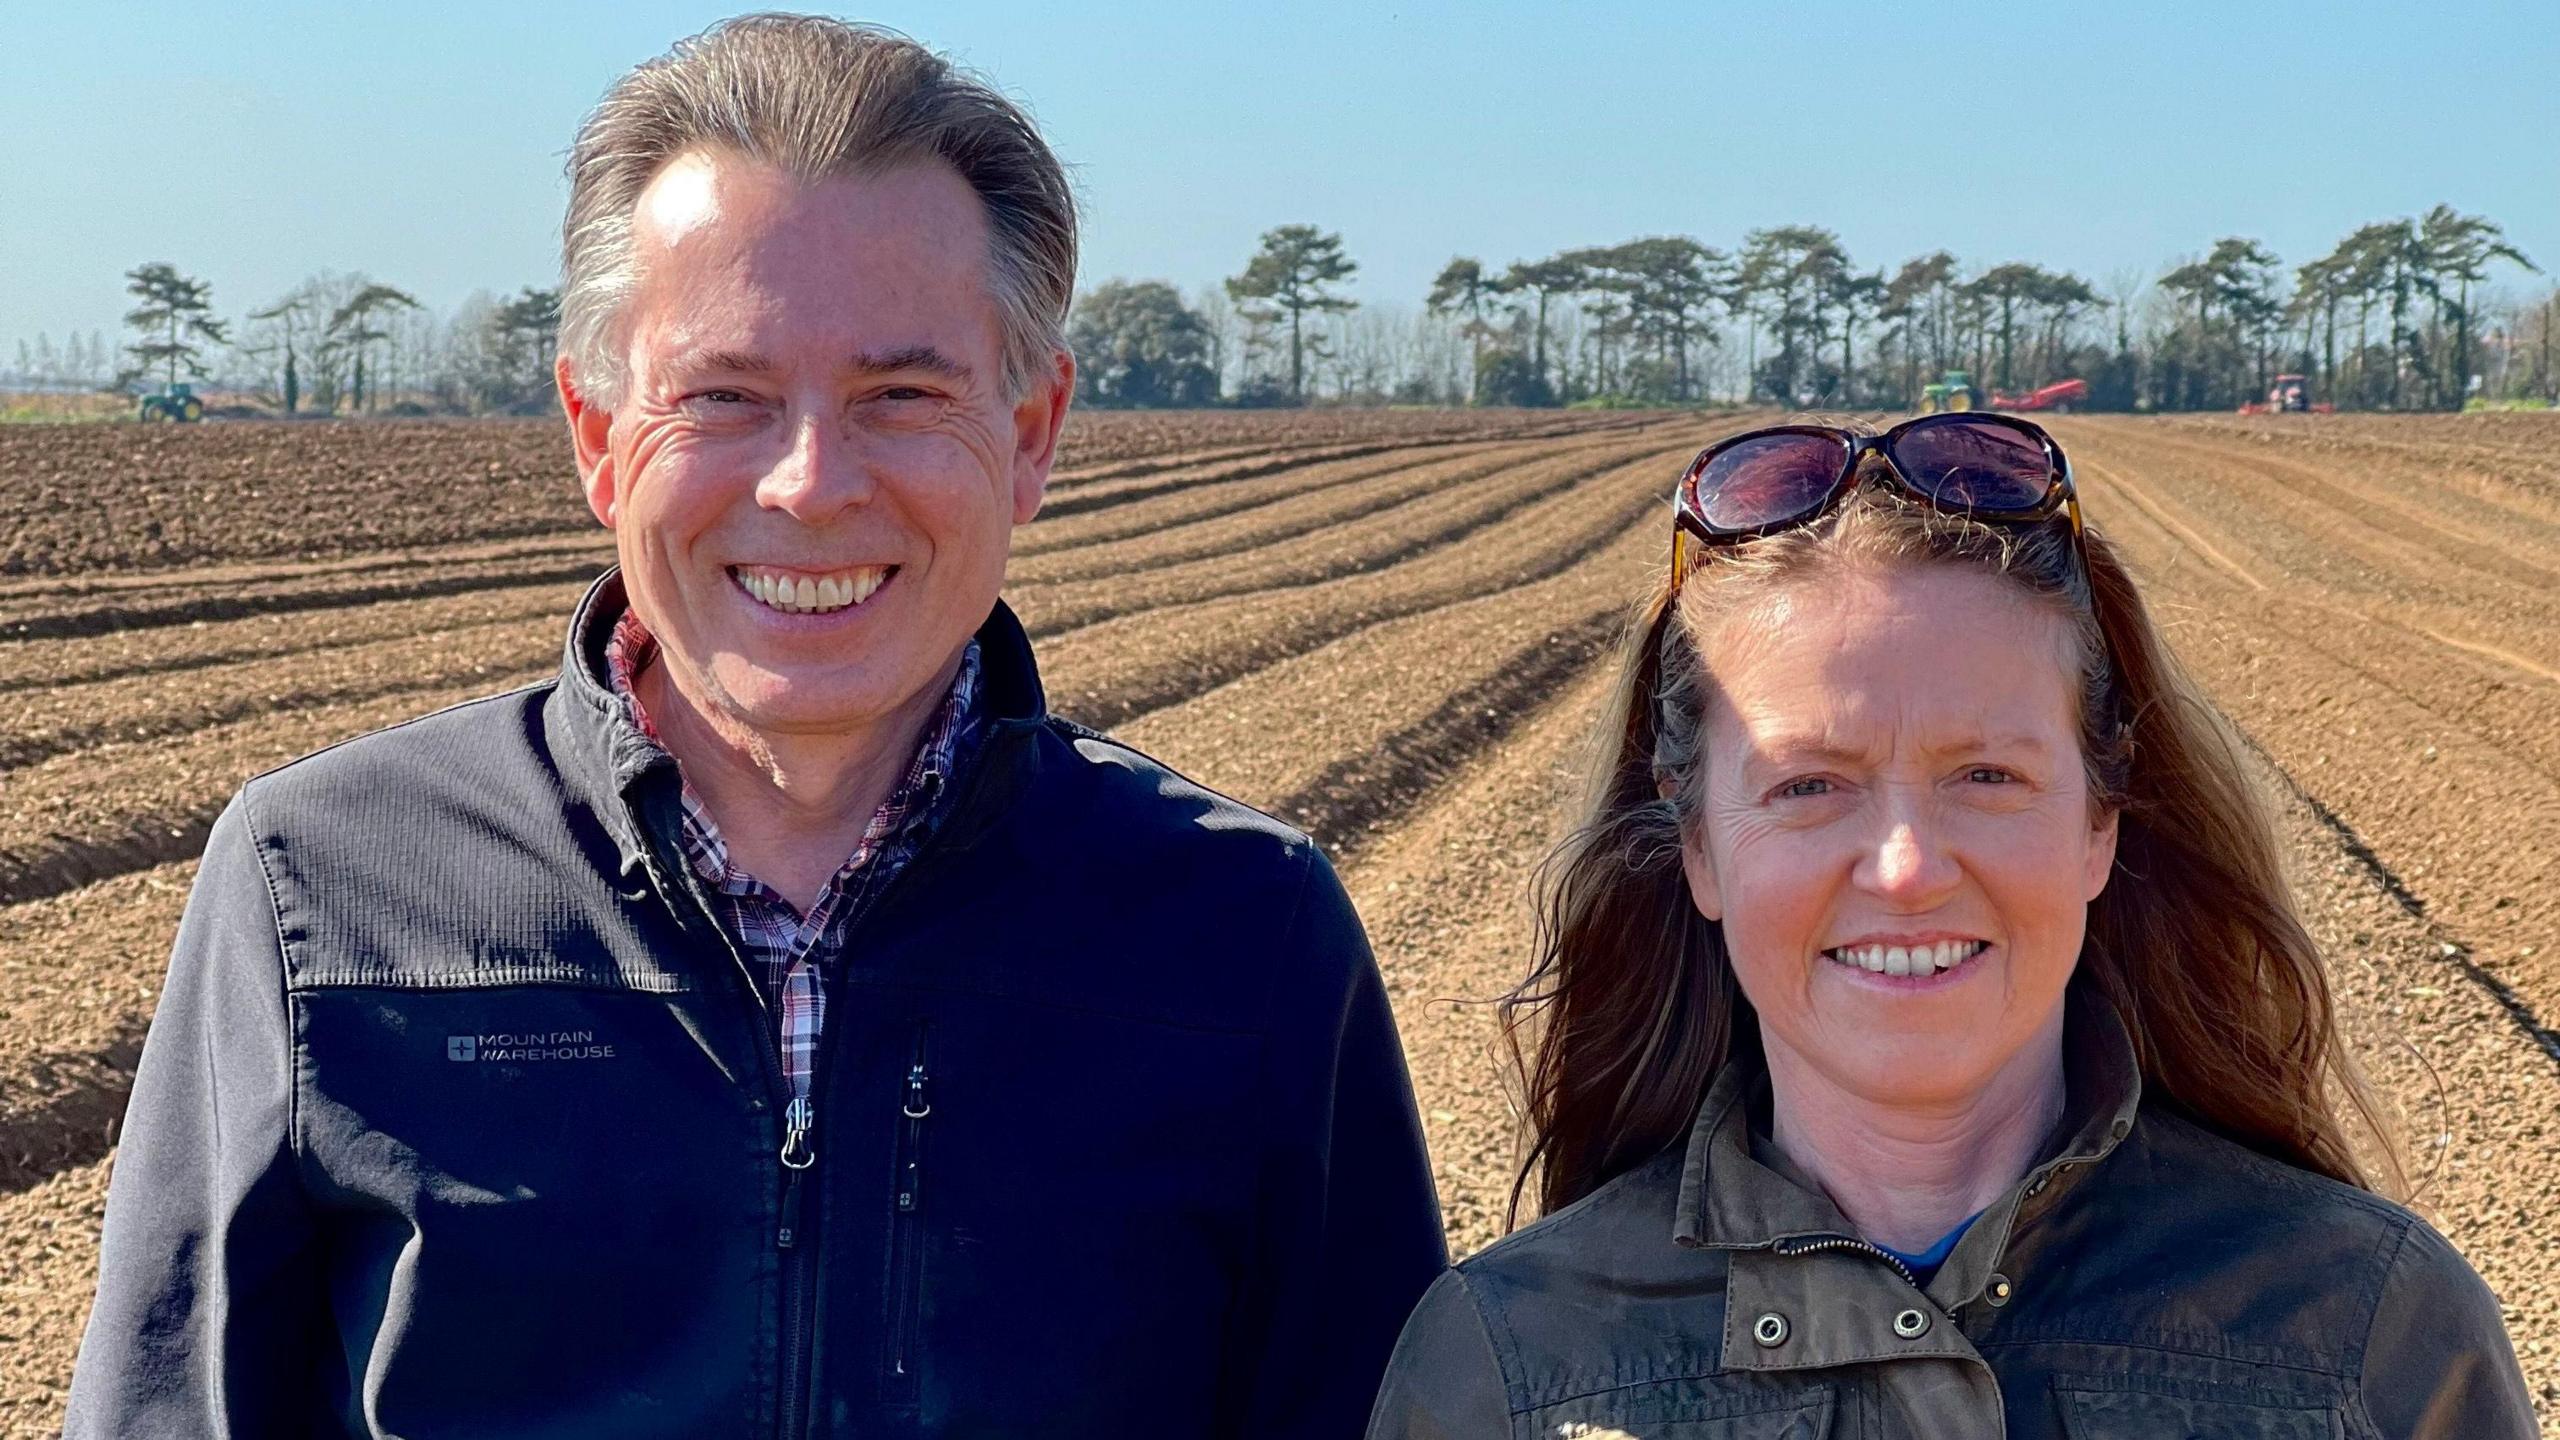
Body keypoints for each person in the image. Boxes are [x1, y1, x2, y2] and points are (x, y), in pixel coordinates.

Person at [65, 16, 1443, 1437]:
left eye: (900, 395)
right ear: (599, 435)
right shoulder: (321, 893)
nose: (808, 482)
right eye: (722, 396)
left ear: (1031, 431)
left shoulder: (1244, 936)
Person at [1367, 415, 2535, 1438]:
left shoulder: (2367, 1329)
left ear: (2099, 827)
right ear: (1698, 848)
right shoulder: (1506, 1370)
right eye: (1807, 785)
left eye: (1985, 775)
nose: (1909, 868)